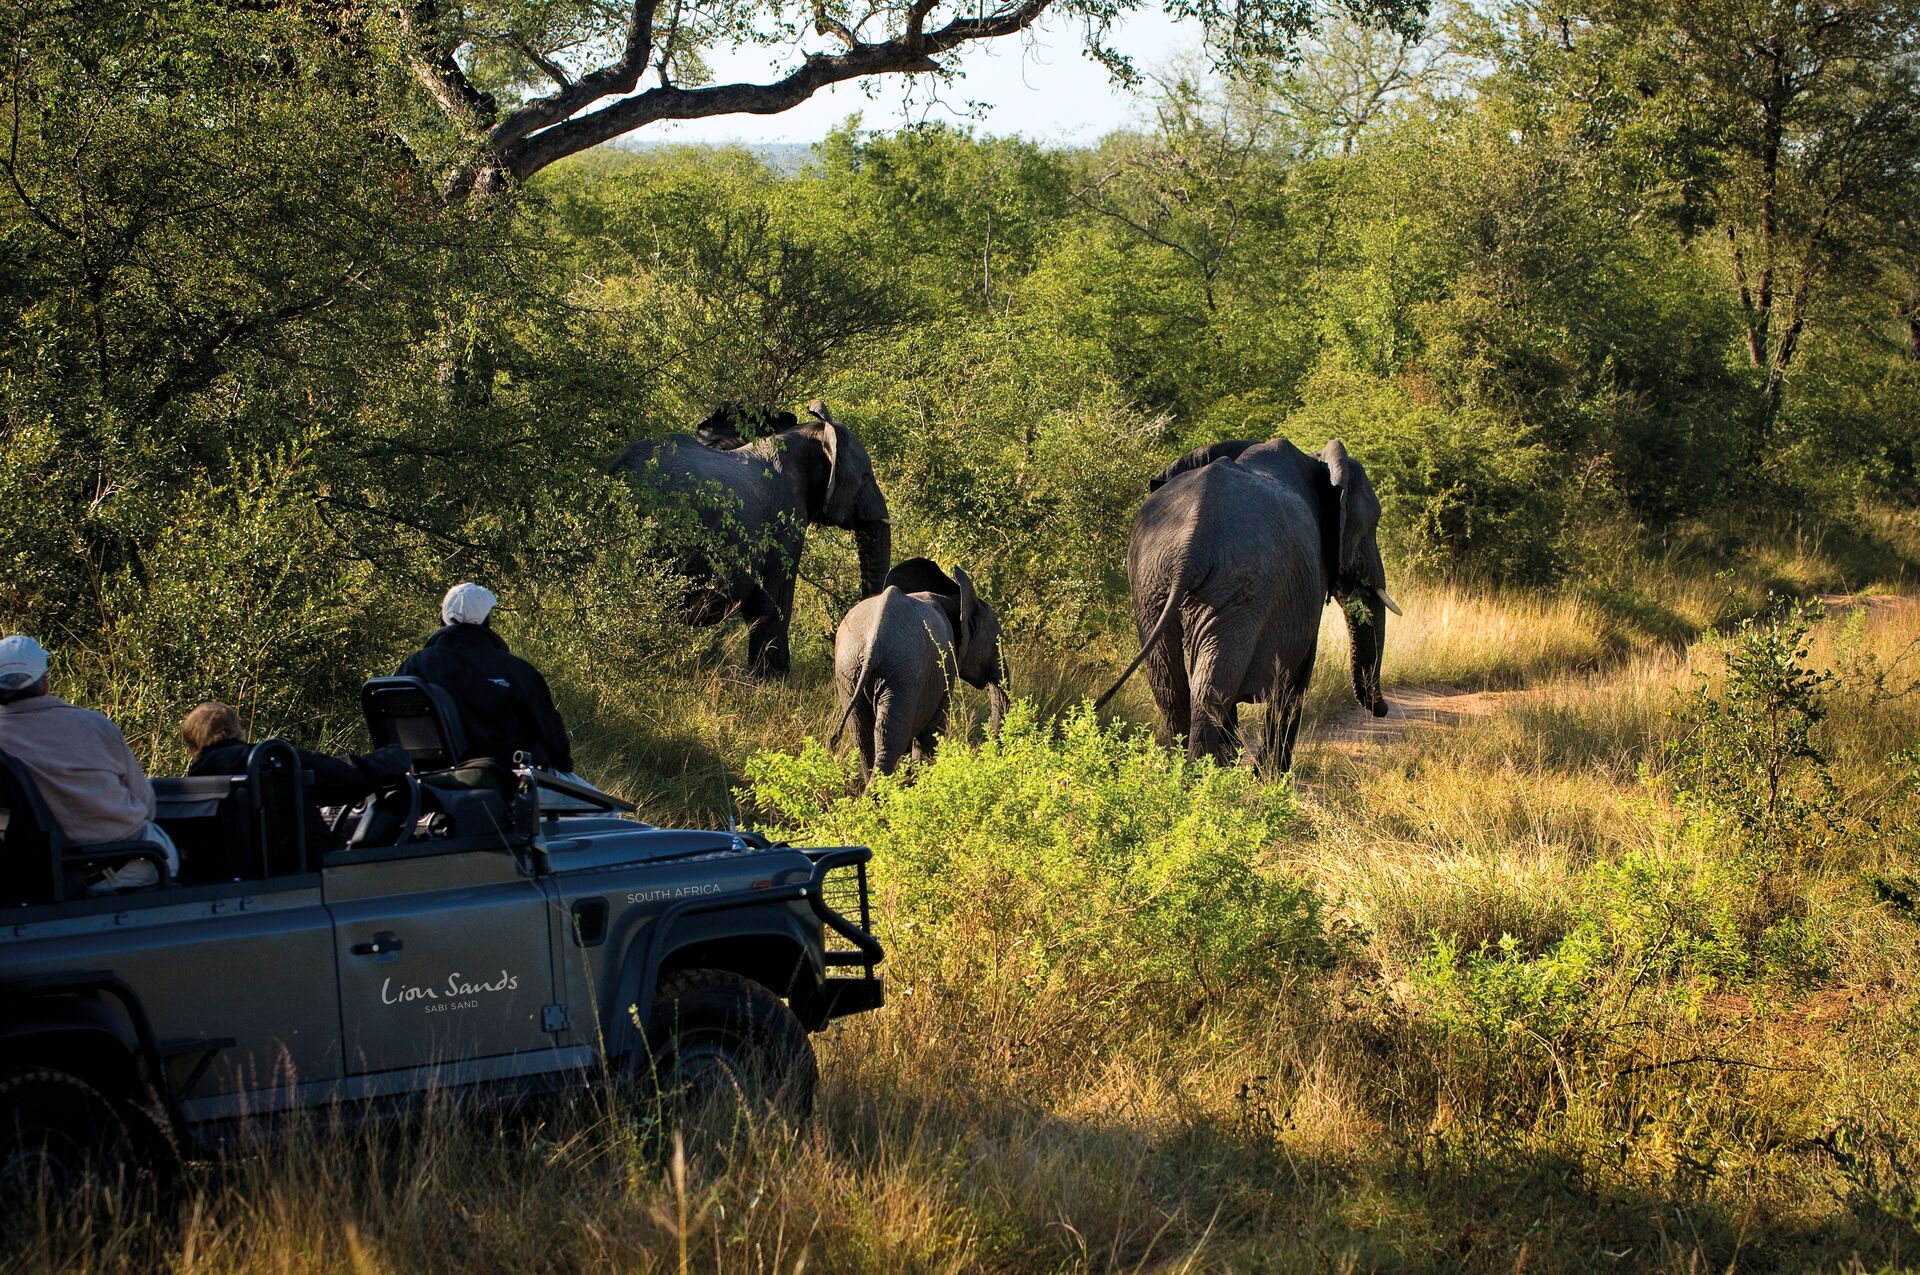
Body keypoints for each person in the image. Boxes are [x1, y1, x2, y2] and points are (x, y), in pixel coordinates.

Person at [0, 635, 178, 892]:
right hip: (129, 861)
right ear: (45, 682)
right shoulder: (95, 725)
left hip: (44, 871)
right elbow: (146, 804)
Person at [395, 583, 575, 773]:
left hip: (427, 780)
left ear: (442, 618)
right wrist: (563, 765)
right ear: (487, 620)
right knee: (606, 803)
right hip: (508, 783)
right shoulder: (517, 671)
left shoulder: (412, 667)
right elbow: (553, 738)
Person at [179, 703, 410, 850]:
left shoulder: (194, 783)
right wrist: (398, 754)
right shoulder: (271, 759)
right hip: (302, 867)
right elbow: (349, 778)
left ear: (192, 743)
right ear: (236, 729)